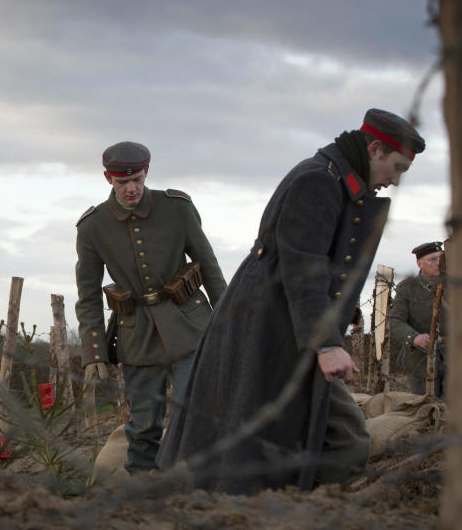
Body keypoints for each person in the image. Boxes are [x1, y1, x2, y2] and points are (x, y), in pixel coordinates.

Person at [157, 108, 425, 494]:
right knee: (326, 436)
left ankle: (293, 509)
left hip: (288, 323)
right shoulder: (318, 180)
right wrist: (328, 344)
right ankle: (292, 514)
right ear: (375, 149)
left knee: (308, 432)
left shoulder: (334, 177)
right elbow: (303, 267)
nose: (395, 180)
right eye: (395, 167)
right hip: (270, 326)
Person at [75, 141, 227, 474]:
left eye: (138, 180)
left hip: (189, 328)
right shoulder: (92, 226)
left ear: (147, 172)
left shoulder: (177, 208)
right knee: (143, 426)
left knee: (202, 413)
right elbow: (87, 296)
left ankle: (210, 491)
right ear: (107, 179)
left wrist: (229, 325)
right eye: (122, 182)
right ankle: (143, 501)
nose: (131, 189)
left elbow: (210, 267)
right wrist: (94, 352)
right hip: (137, 338)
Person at [389, 241, 447, 398]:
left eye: (442, 258)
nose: (439, 263)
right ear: (419, 263)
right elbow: (394, 322)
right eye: (433, 259)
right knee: (426, 410)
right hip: (421, 361)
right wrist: (415, 338)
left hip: (457, 360)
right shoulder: (407, 288)